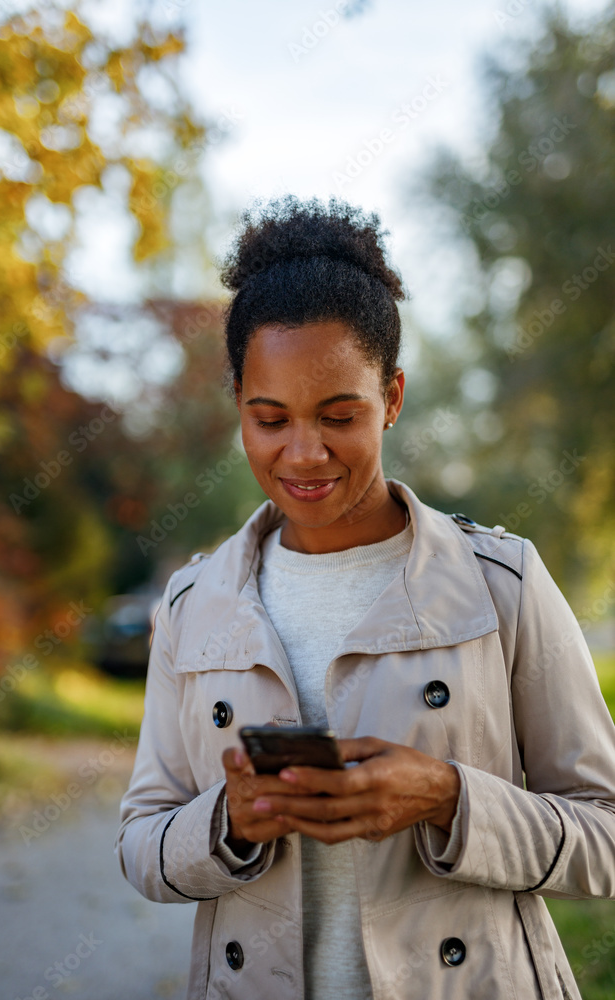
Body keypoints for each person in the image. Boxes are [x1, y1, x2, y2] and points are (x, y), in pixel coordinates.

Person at [115, 197, 615, 1000]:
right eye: (269, 418)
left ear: (392, 398)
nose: (303, 453)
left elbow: (607, 837)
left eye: (339, 415)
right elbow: (142, 845)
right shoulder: (192, 604)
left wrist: (450, 798)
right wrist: (229, 821)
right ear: (237, 403)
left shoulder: (502, 583)